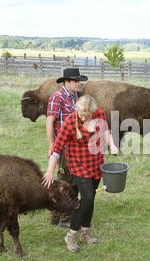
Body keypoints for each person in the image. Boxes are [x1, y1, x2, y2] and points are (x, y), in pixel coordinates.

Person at [42, 95, 118, 252]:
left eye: (87, 115)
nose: (84, 117)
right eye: (81, 114)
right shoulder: (70, 122)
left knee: (90, 200)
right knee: (87, 199)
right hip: (78, 166)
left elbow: (106, 131)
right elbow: (57, 149)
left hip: (96, 164)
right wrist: (50, 171)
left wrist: (112, 144)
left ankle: (86, 233)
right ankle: (71, 235)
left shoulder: (99, 114)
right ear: (77, 110)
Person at [46, 68, 86, 228]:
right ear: (67, 82)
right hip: (63, 145)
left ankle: (56, 213)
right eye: (76, 81)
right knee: (65, 179)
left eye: (79, 80)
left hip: (74, 146)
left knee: (72, 177)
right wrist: (52, 144)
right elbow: (50, 121)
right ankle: (64, 217)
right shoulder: (58, 97)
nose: (79, 83)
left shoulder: (75, 97)